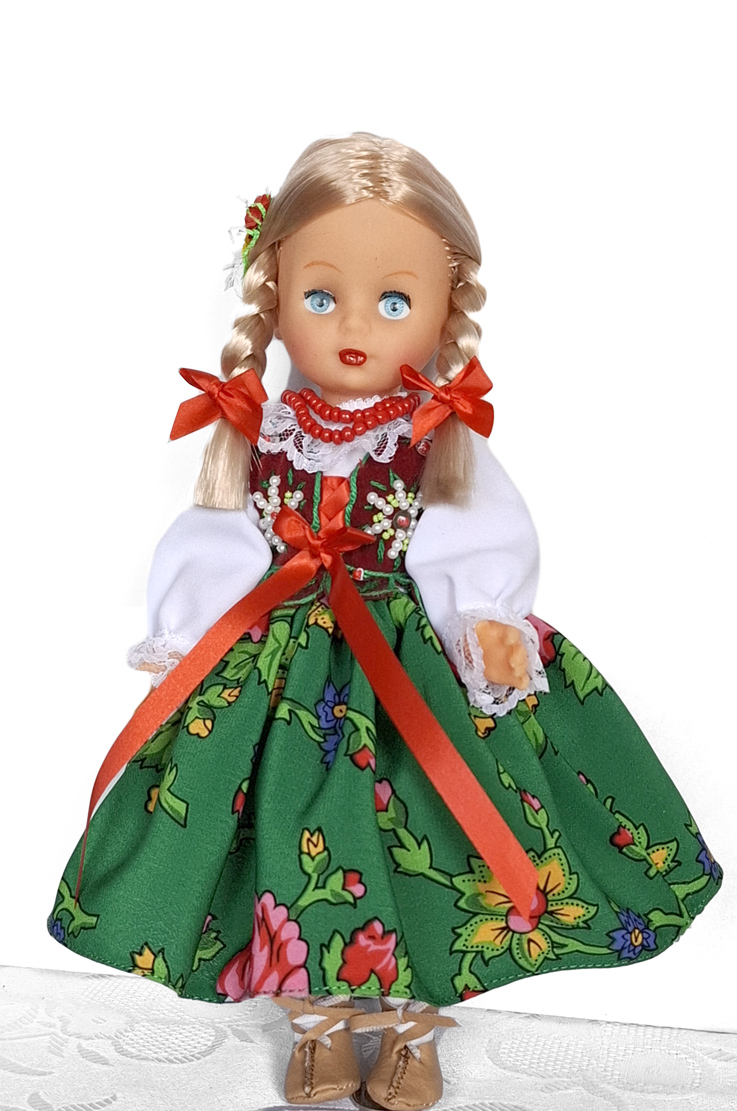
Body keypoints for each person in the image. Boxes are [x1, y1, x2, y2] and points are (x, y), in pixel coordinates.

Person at [48, 133, 723, 1110]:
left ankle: (409, 1025)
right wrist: (187, 638)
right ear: (274, 298)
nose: (355, 324)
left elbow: (474, 536)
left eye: (394, 300)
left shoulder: (432, 437)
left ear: (448, 307)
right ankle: (319, 1021)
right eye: (321, 297)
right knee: (289, 833)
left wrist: (484, 619)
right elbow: (215, 541)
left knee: (424, 836)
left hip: (408, 667)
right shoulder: (259, 436)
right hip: (282, 669)